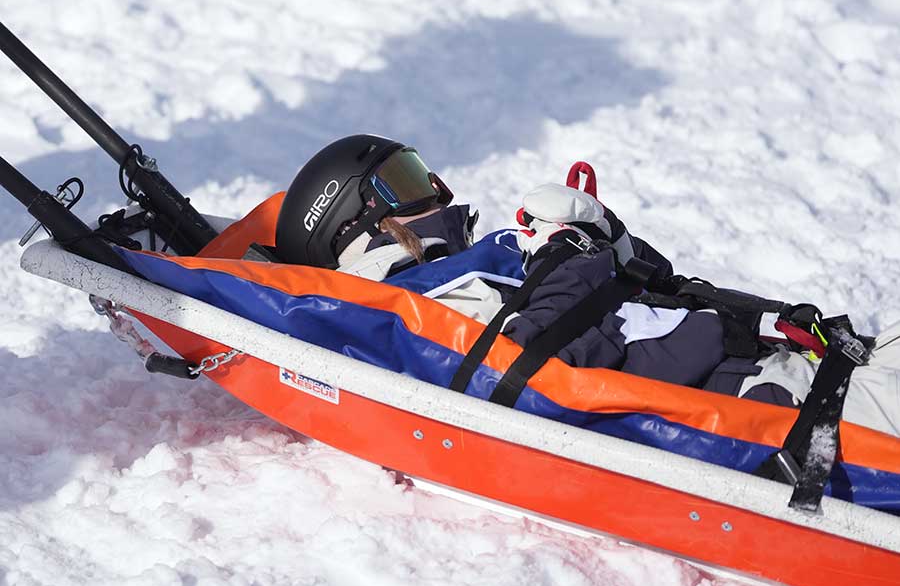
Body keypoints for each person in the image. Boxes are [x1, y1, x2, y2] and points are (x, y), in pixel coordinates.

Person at [274, 134, 900, 438]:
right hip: (779, 398)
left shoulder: (481, 269)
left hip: (798, 362)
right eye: (407, 184)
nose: (438, 190)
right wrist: (569, 255)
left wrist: (609, 241)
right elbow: (526, 373)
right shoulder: (425, 308)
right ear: (359, 230)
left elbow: (648, 297)